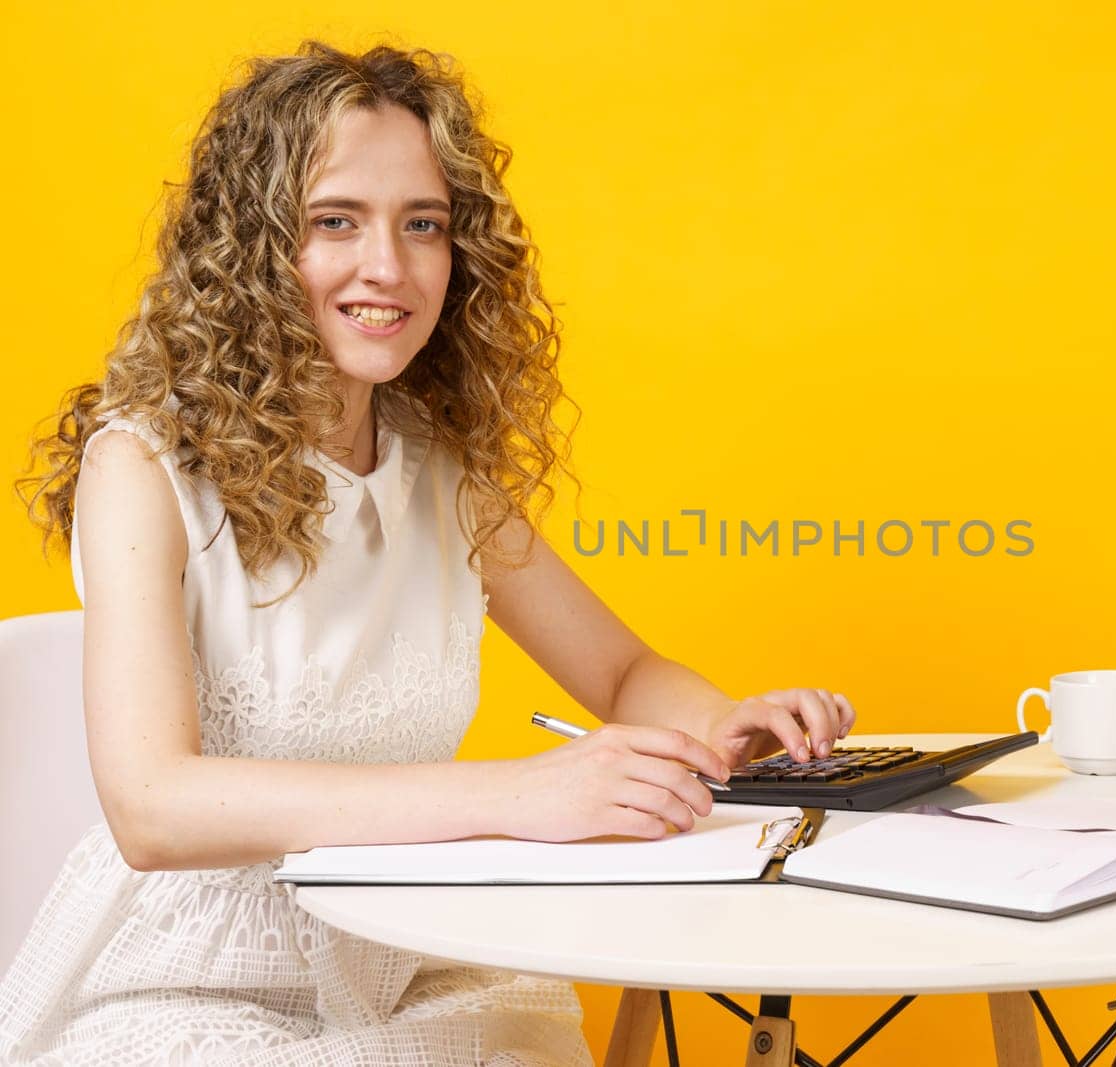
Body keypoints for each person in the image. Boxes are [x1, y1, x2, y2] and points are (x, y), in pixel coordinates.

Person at [0, 40, 854, 1065]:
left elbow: (623, 672)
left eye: (424, 226)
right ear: (252, 246)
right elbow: (153, 805)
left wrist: (726, 721)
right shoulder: (142, 465)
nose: (389, 268)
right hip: (191, 981)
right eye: (334, 222)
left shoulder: (438, 467)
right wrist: (521, 793)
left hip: (413, 958)